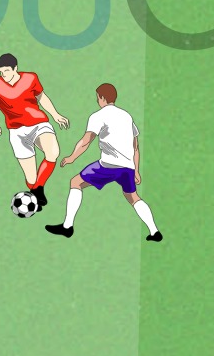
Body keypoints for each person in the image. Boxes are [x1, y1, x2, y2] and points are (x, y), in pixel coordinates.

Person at [45, 83, 162, 242]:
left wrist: (71, 157)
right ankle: (154, 231)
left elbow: (86, 141)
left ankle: (67, 227)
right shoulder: (127, 116)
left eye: (97, 97)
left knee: (75, 182)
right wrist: (136, 170)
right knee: (133, 196)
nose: (97, 100)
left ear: (101, 98)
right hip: (127, 167)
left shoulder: (98, 116)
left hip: (108, 165)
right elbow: (136, 146)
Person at [0, 53, 69, 210]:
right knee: (31, 178)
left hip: (38, 124)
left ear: (15, 68)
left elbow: (41, 97)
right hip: (16, 132)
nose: (3, 75)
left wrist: (55, 115)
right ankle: (35, 191)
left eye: (6, 71)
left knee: (53, 152)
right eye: (1, 72)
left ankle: (38, 189)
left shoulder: (30, 78)